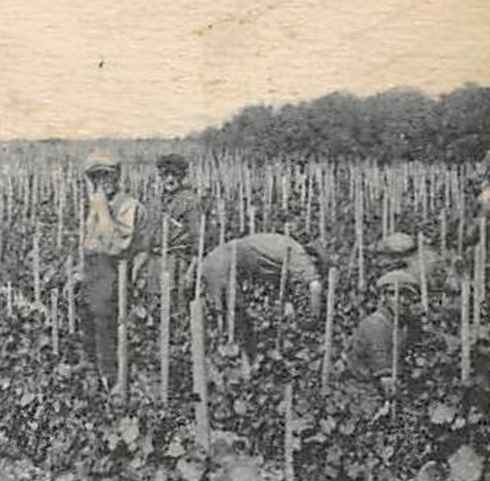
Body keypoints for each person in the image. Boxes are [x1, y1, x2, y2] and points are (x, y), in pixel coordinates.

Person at [197, 231, 324, 362]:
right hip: (224, 268)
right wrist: (312, 320)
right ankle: (239, 362)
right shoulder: (299, 255)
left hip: (214, 259)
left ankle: (225, 356)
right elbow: (315, 286)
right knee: (231, 323)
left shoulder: (281, 243)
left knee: (215, 319)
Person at [76, 149, 141, 386]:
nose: (102, 183)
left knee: (105, 325)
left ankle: (111, 380)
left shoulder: (127, 206)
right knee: (87, 319)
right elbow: (90, 241)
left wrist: (102, 210)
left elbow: (115, 246)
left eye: (107, 176)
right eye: (96, 177)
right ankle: (90, 370)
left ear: (117, 177)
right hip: (93, 270)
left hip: (113, 271)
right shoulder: (96, 203)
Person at [136, 153, 205, 302]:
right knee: (154, 307)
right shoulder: (156, 201)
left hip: (177, 264)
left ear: (182, 176)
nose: (170, 179)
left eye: (175, 175)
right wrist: (141, 266)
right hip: (155, 263)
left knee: (176, 309)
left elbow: (198, 240)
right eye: (166, 175)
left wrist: (191, 271)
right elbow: (147, 237)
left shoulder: (190, 201)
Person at [346, 269, 423, 388]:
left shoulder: (405, 322)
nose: (401, 300)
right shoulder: (376, 325)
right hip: (365, 389)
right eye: (394, 294)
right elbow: (386, 378)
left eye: (406, 295)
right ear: (383, 297)